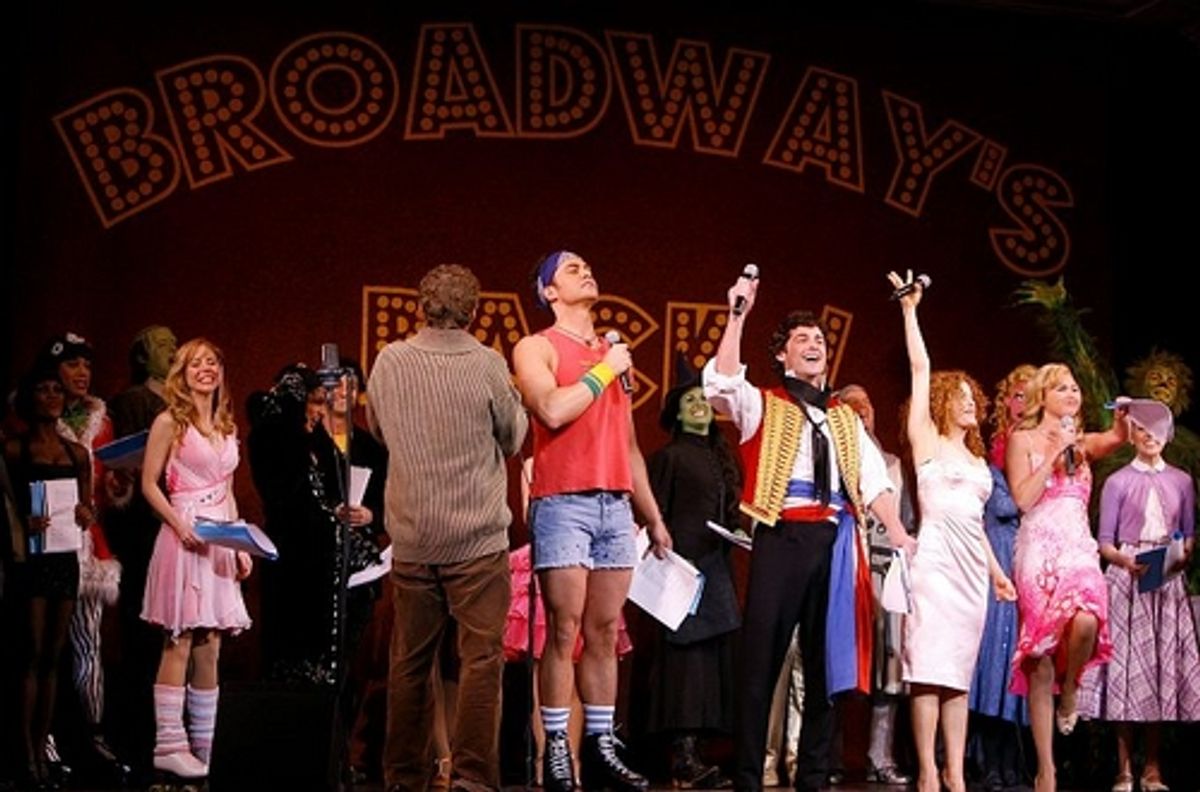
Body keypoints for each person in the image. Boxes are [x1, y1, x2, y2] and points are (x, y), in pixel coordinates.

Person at [702, 270, 911, 792]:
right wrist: (737, 316)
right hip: (782, 537)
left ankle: (815, 776)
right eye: (802, 340)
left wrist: (900, 534)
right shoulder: (763, 402)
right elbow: (722, 386)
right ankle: (749, 776)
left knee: (827, 664)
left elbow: (873, 481)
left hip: (836, 542)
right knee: (761, 663)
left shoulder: (844, 418)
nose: (814, 344)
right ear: (782, 356)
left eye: (819, 339)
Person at [512, 250, 671, 792]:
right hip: (563, 501)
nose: (586, 270)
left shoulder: (610, 353)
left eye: (587, 264)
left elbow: (628, 445)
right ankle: (557, 748)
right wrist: (606, 370)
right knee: (564, 629)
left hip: (615, 505)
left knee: (605, 630)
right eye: (571, 268)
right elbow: (552, 409)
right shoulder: (537, 346)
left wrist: (652, 516)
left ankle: (601, 746)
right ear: (548, 290)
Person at [367, 263, 527, 792]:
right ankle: (472, 781)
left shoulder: (390, 361)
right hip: (477, 541)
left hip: (413, 536)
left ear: (420, 307)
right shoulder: (486, 364)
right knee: (481, 663)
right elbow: (512, 438)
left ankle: (402, 779)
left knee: (409, 664)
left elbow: (380, 430)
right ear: (474, 311)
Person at [887, 271, 1016, 792]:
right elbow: (921, 366)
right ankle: (926, 773)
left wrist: (997, 573)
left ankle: (956, 773)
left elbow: (975, 524)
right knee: (929, 671)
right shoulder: (926, 440)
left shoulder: (977, 456)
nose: (968, 401)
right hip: (935, 564)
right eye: (959, 394)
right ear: (942, 401)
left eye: (971, 395)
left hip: (970, 576)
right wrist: (909, 311)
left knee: (958, 676)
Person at [1005, 362, 1127, 792]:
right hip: (1037, 548)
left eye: (1075, 388)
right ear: (1043, 397)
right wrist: (1054, 457)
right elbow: (1022, 497)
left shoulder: (1084, 442)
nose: (1072, 394)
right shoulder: (1022, 439)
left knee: (1089, 617)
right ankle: (1046, 770)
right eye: (1062, 388)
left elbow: (1117, 439)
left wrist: (1123, 421)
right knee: (1038, 660)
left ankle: (1071, 687)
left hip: (1076, 545)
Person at [140, 338, 253, 779]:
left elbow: (226, 490)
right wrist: (178, 523)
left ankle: (205, 747)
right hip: (185, 533)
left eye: (212, 362)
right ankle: (168, 743)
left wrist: (241, 544)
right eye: (195, 363)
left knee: (212, 642)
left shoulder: (225, 426)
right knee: (181, 636)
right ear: (181, 373)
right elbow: (150, 484)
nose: (205, 369)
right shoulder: (169, 422)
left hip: (219, 536)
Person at [1078, 399, 1199, 792]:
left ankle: (1153, 767)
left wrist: (1179, 556)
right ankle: (1124, 768)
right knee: (1125, 674)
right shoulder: (1117, 482)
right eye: (1143, 431)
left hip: (1165, 578)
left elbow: (1189, 531)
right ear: (1132, 435)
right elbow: (1105, 541)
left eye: (1157, 432)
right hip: (1127, 578)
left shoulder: (1181, 480)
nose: (1150, 439)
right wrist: (1125, 562)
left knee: (1158, 672)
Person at [35, 332, 129, 781]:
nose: (81, 374)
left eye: (87, 366)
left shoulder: (100, 421)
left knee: (87, 648)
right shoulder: (31, 415)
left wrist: (117, 486)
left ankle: (91, 735)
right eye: (72, 365)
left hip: (89, 548)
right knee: (40, 647)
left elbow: (107, 487)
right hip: (43, 547)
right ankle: (41, 737)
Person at [645, 356, 741, 788]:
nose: (700, 406)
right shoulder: (668, 458)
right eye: (690, 401)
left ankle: (699, 752)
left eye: (705, 399)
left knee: (710, 664)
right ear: (678, 412)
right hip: (679, 571)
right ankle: (681, 756)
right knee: (685, 664)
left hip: (715, 570)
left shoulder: (723, 459)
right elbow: (652, 514)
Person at [3, 366, 94, 788]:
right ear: (28, 398)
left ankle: (42, 748)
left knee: (54, 658)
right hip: (31, 561)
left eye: (58, 390)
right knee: (30, 655)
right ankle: (24, 755)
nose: (52, 396)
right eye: (43, 389)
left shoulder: (76, 454)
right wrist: (25, 520)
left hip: (64, 558)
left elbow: (87, 510)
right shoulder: (15, 450)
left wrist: (83, 514)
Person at [104, 324, 176, 777]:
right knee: (142, 632)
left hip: (176, 526)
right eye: (162, 345)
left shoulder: (180, 403)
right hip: (143, 529)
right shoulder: (136, 402)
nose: (171, 350)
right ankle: (135, 736)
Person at [834, 383, 914, 786]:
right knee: (839, 658)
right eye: (852, 407)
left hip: (887, 571)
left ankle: (879, 755)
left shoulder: (894, 465)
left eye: (867, 406)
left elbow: (908, 523)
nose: (862, 413)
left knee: (891, 663)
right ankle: (828, 755)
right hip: (846, 569)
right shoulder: (832, 460)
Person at [968, 364, 1035, 792]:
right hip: (996, 553)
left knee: (1023, 659)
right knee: (993, 658)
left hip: (1030, 554)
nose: (1023, 404)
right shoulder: (990, 451)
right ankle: (987, 759)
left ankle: (1015, 760)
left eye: (1032, 397)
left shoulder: (1042, 451)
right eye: (1017, 395)